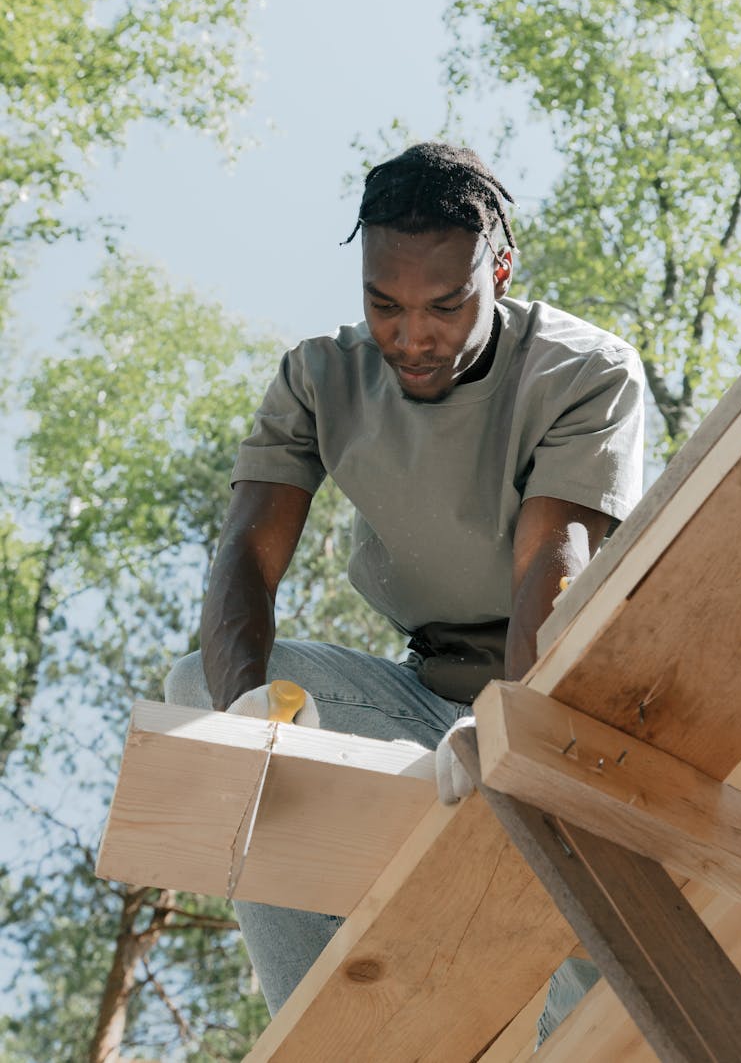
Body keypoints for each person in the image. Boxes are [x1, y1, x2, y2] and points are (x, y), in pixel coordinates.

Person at [165, 142, 645, 1041]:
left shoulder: (584, 371)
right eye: (384, 305)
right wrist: (250, 709)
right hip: (424, 698)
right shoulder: (318, 380)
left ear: (499, 271)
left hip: (564, 702)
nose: (411, 336)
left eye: (445, 304)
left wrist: (510, 727)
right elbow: (244, 561)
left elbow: (558, 562)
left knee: (596, 995)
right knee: (203, 696)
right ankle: (338, 1041)